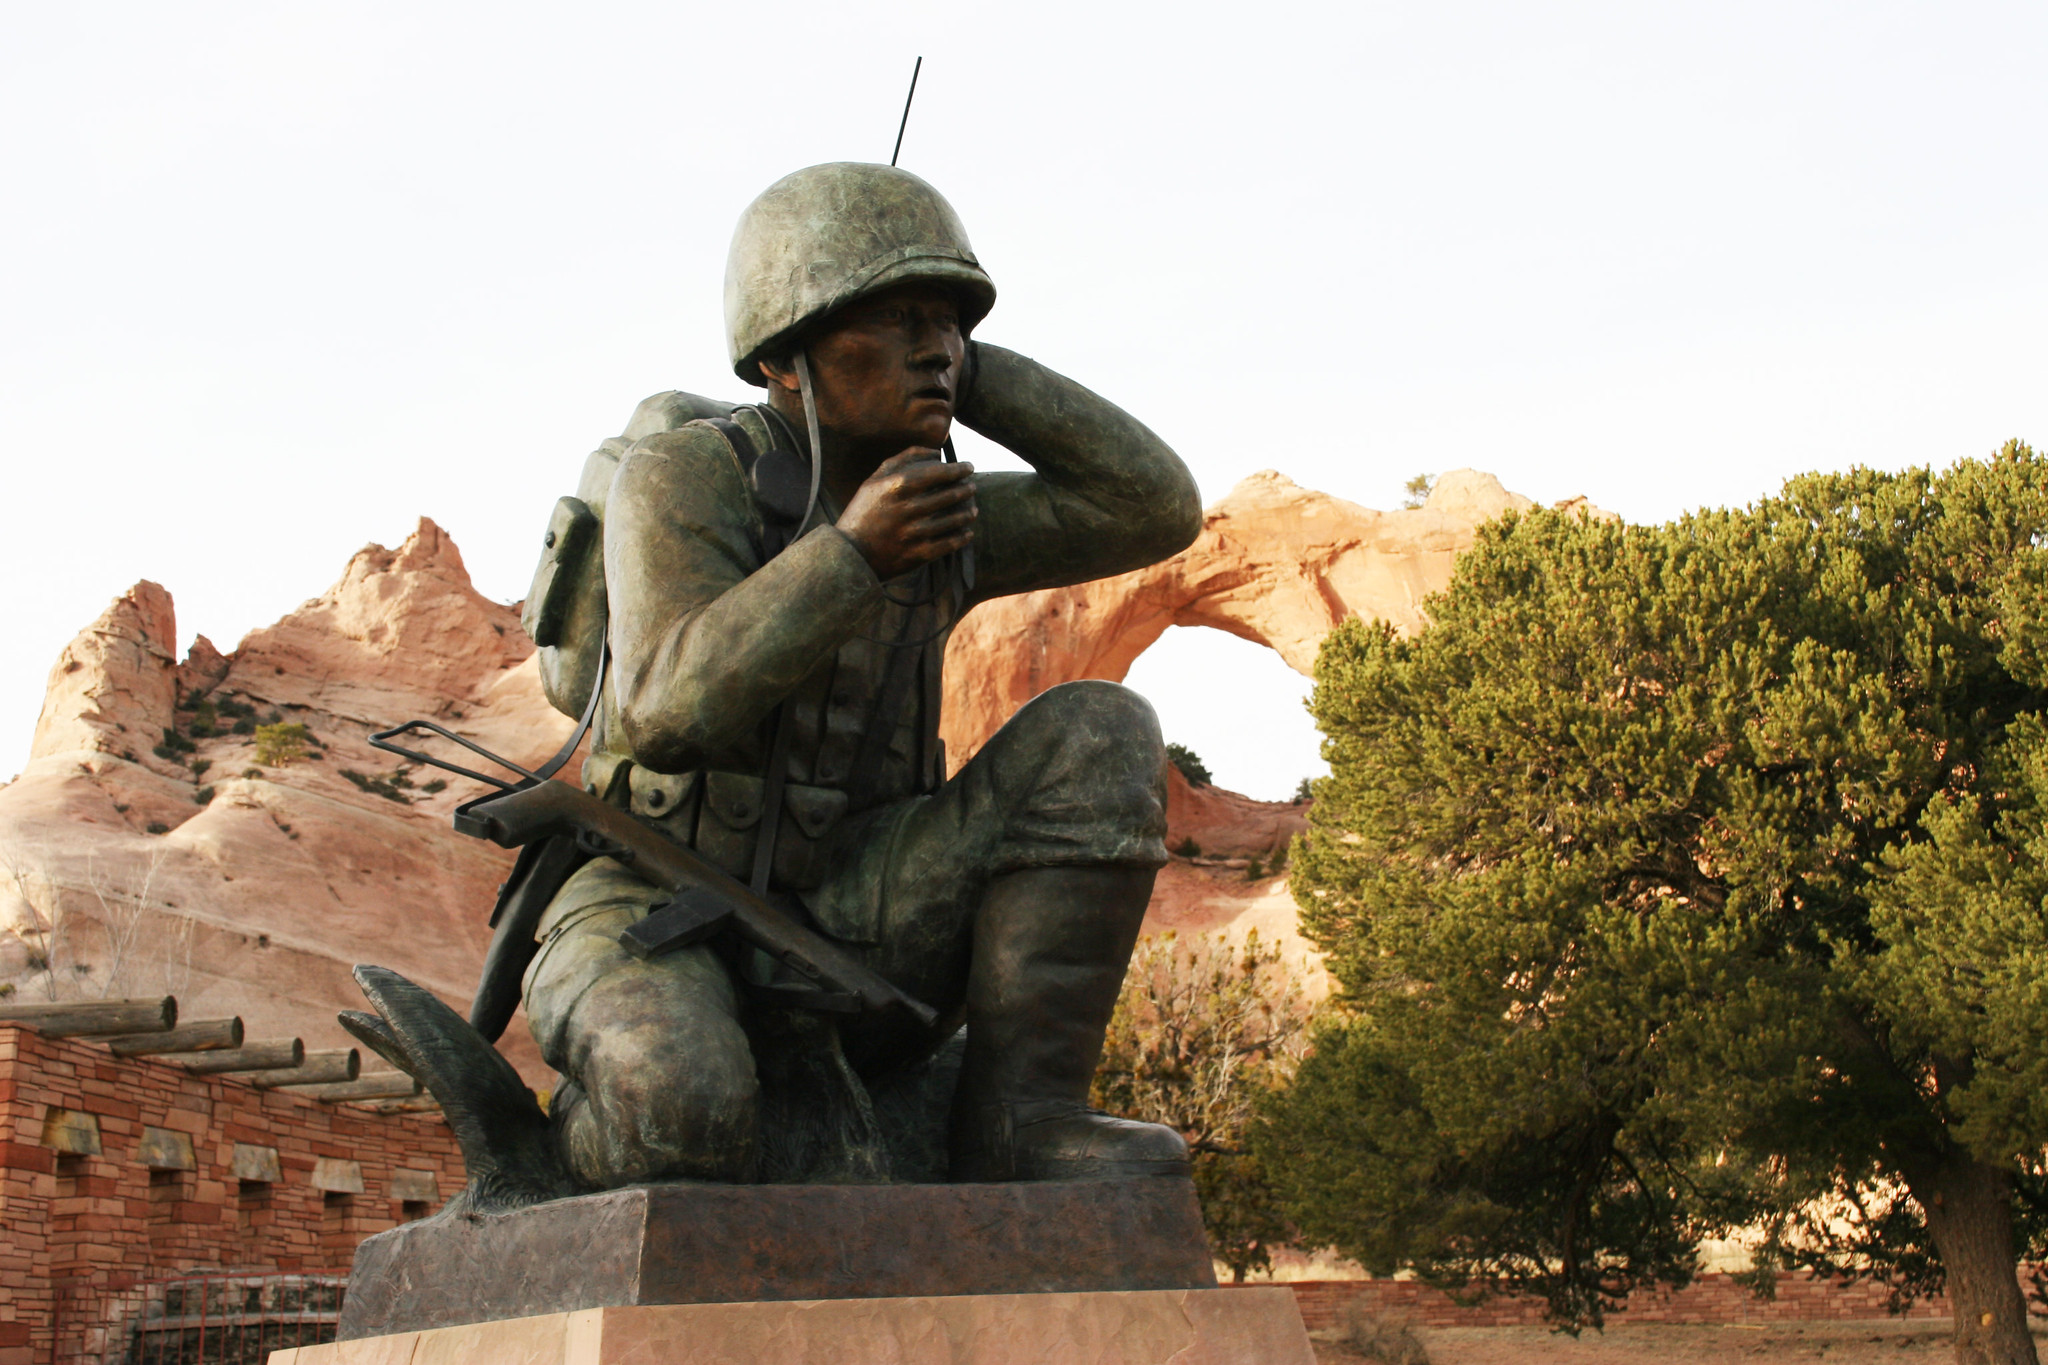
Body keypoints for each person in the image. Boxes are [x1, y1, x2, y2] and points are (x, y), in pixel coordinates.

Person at [522, 162, 1204, 1189]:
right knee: (680, 1112)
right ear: (784, 356)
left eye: (947, 322)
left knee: (1099, 733)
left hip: (857, 898)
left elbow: (1150, 507)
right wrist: (849, 555)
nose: (932, 346)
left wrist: (966, 374)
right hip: (650, 892)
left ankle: (1022, 1122)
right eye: (891, 321)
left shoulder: (937, 509)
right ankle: (566, 1146)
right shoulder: (687, 475)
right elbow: (662, 709)